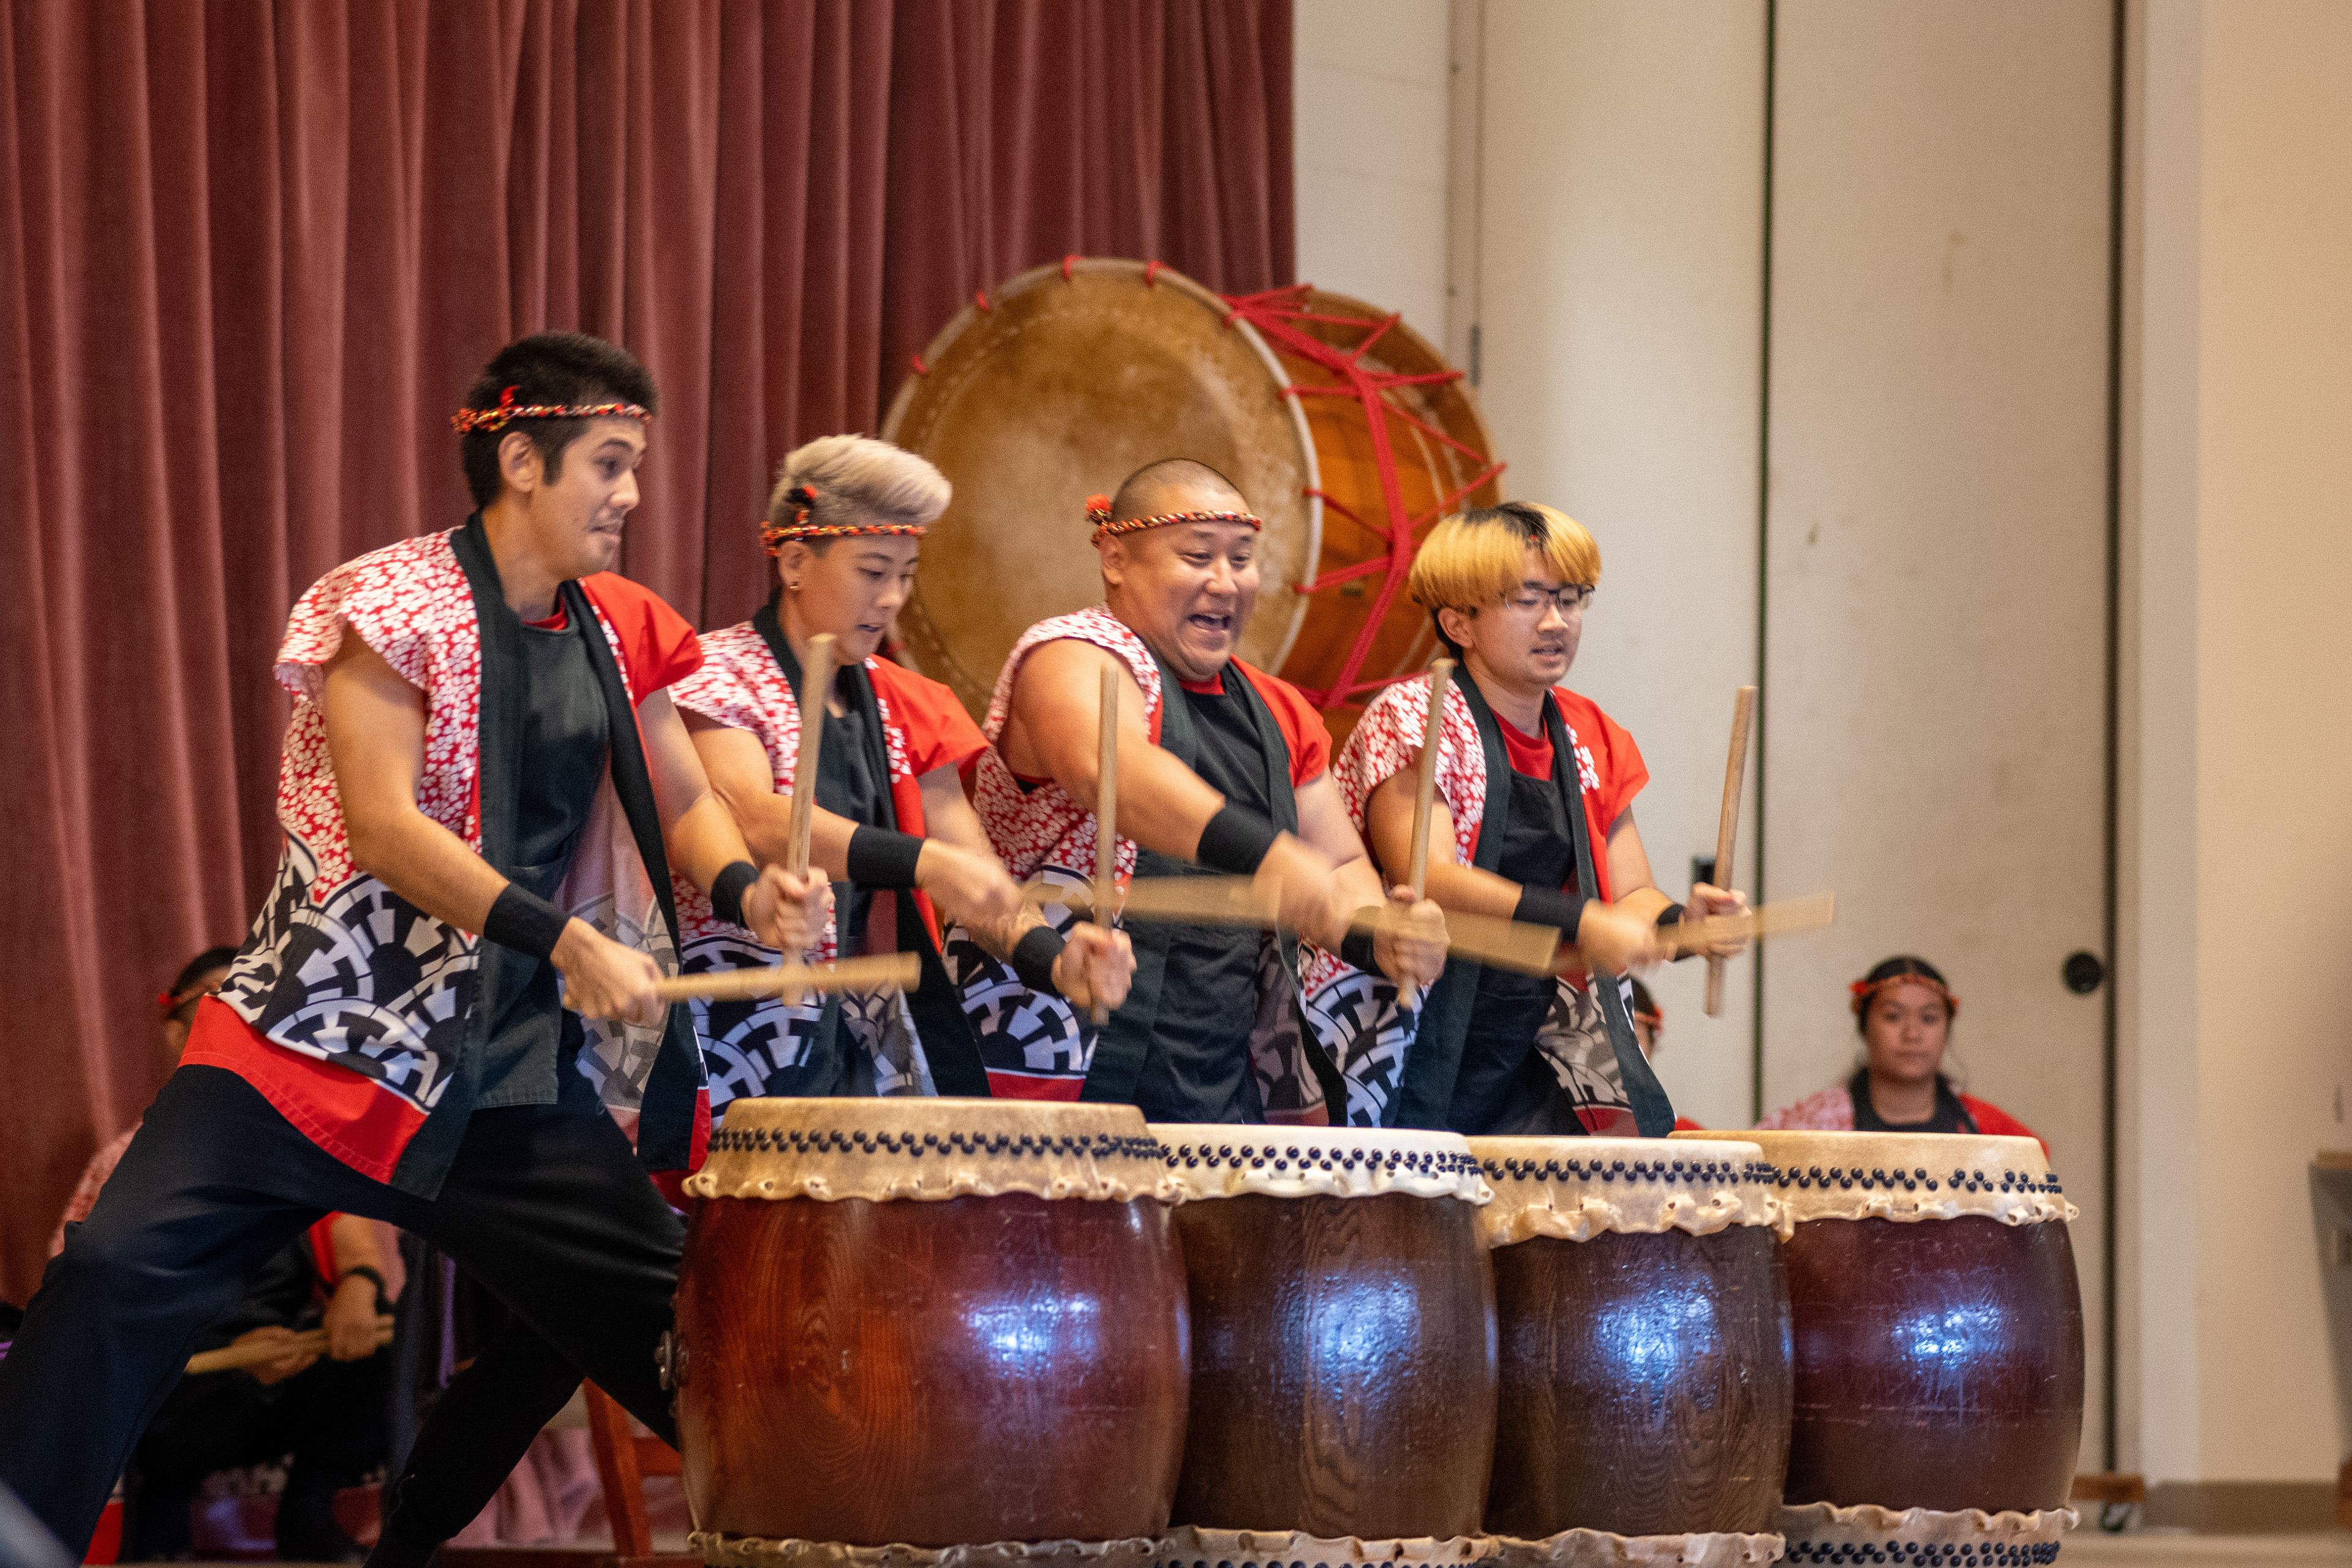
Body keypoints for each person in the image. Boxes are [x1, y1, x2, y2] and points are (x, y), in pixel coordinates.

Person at [0, 331, 824, 1564]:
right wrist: (563, 939)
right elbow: (383, 825)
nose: (632, 495)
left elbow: (681, 795)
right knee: (113, 1266)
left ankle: (812, 1527)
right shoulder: (386, 603)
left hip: (499, 1078)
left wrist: (751, 886)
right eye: (609, 461)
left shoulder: (621, 627)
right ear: (522, 458)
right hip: (306, 1039)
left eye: (638, 464)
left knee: (684, 1335)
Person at [950, 459, 1447, 1123]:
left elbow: (1338, 869)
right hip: (1047, 1068)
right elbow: (1114, 773)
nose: (1225, 581)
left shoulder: (1276, 709)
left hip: (1217, 1085)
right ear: (1115, 557)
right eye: (1197, 556)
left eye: (1242, 558)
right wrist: (1266, 854)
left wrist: (1381, 933)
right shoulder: (1069, 656)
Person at [673, 435, 1133, 1110]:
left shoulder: (907, 701)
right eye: (873, 570)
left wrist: (1056, 961)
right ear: (796, 561)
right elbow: (749, 813)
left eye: (906, 573)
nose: (892, 597)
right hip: (730, 1025)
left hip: (859, 1039)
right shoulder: (717, 673)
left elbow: (971, 871)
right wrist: (925, 863)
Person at [1333, 502, 1746, 1136]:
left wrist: (1683, 926)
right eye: (1528, 600)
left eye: (1571, 599)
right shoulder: (1416, 716)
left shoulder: (1593, 734)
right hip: (1411, 1023)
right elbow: (1432, 874)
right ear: (1458, 622)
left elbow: (1629, 892)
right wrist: (1583, 920)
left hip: (1531, 1037)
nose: (1557, 621)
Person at [50, 952, 391, 1562]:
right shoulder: (129, 1159)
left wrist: (359, 1288)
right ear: (178, 1031)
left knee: (393, 1336)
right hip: (180, 1383)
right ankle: (160, 1526)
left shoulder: (302, 1151)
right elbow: (83, 1314)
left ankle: (308, 1511)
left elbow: (351, 1238)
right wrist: (229, 1357)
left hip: (284, 1360)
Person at [1756, 954, 2046, 1151]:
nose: (1912, 1034)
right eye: (1893, 1017)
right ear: (1864, 1026)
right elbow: (1739, 1161)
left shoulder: (1989, 1129)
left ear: (1946, 1030)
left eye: (1929, 1019)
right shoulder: (1812, 1125)